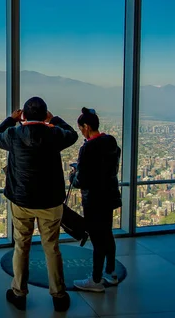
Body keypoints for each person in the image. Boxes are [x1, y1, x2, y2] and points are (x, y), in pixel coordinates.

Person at [0, 96, 78, 312]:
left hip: (21, 200)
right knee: (52, 248)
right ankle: (58, 295)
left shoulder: (13, 134)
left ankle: (19, 293)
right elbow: (73, 134)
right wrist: (54, 119)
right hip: (50, 202)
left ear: (24, 116)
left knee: (21, 246)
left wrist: (10, 120)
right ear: (45, 115)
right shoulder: (54, 133)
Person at [70, 107, 122, 292]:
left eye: (81, 128)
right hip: (109, 196)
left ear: (86, 126)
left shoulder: (88, 148)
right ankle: (111, 272)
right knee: (107, 235)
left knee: (98, 239)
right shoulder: (111, 142)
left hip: (94, 200)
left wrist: (73, 175)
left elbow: (81, 180)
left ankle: (96, 279)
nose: (81, 132)